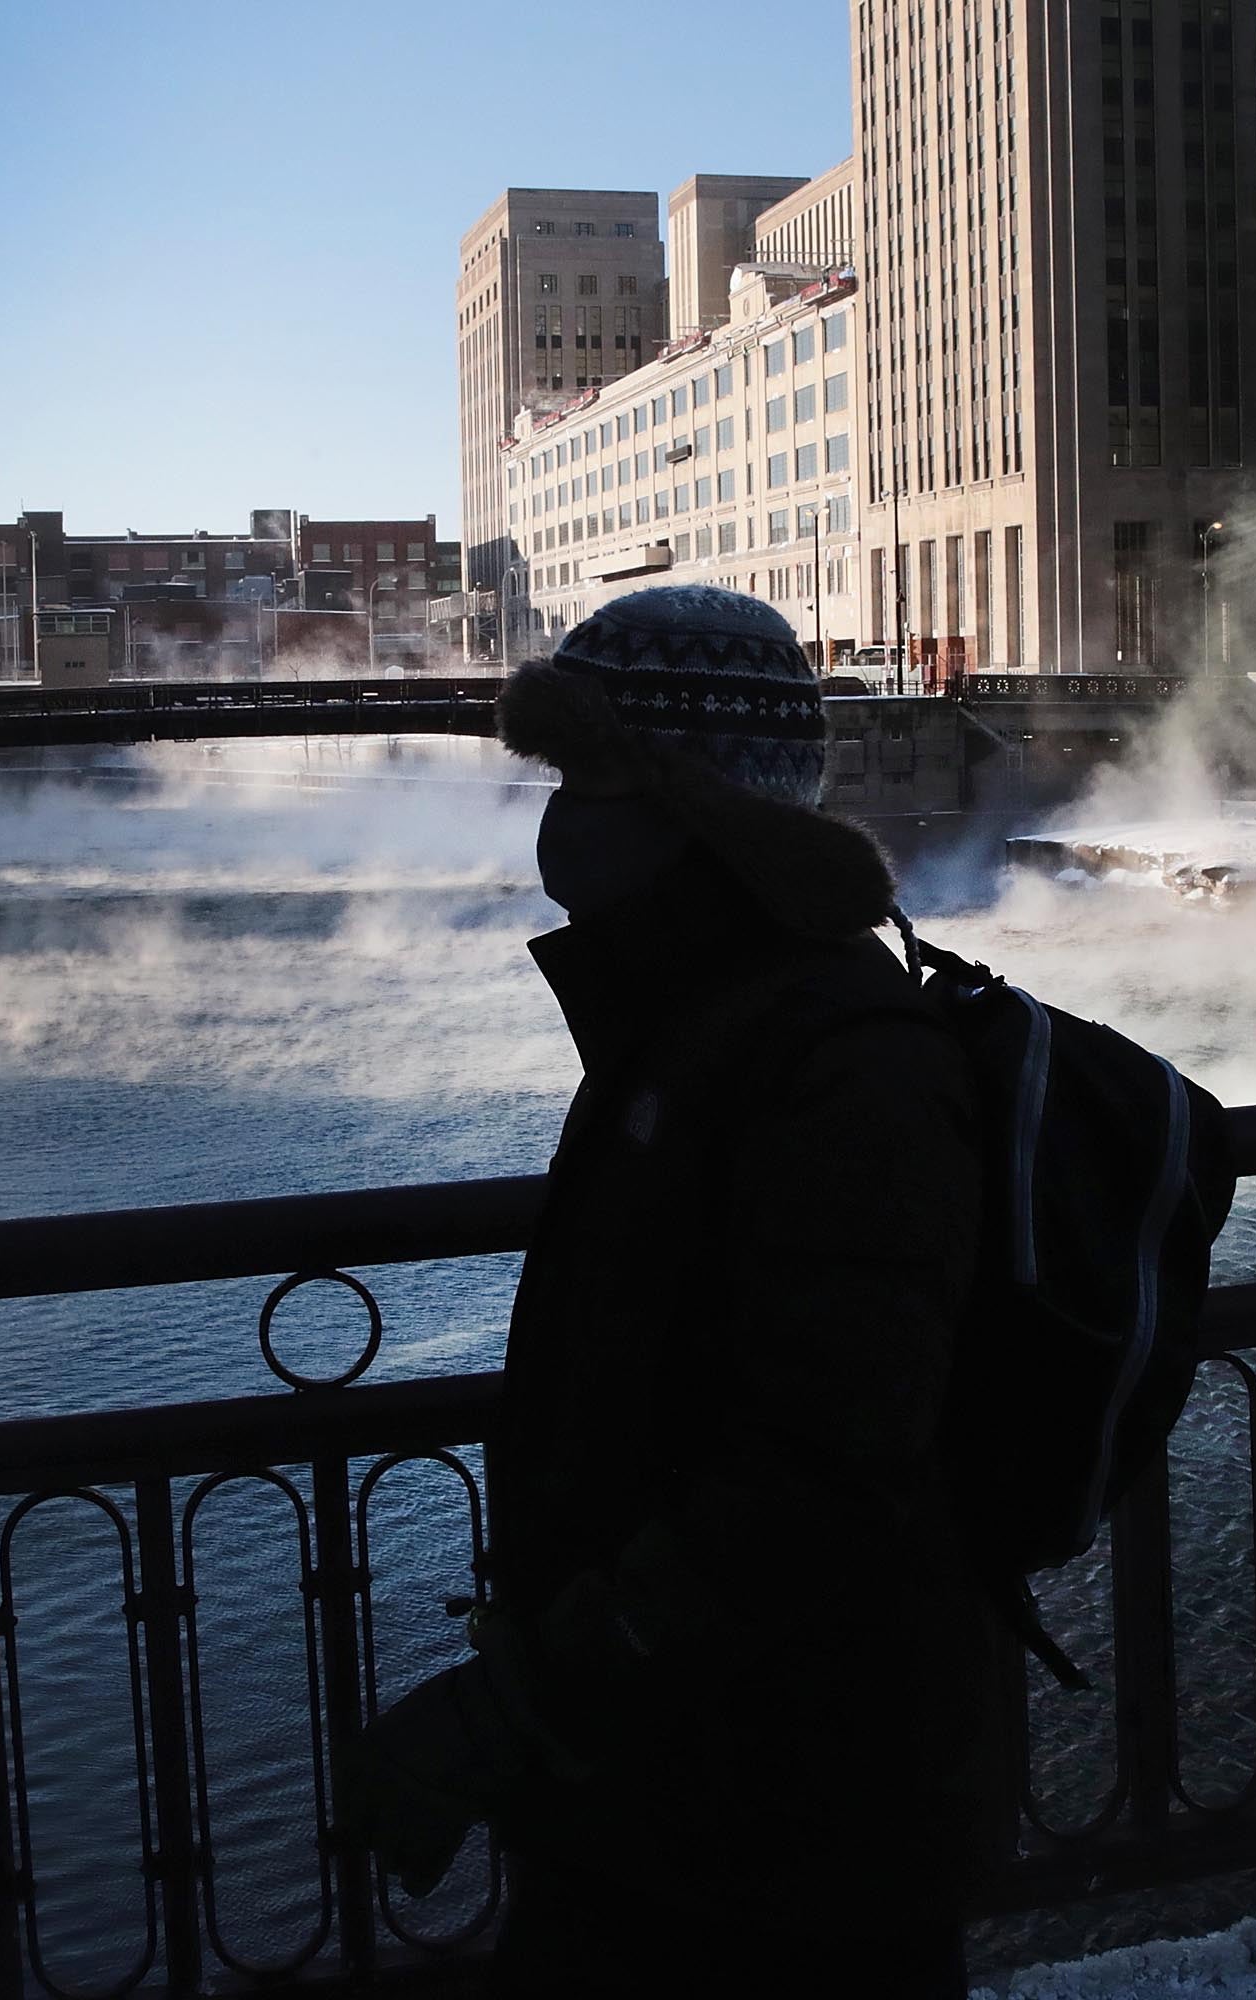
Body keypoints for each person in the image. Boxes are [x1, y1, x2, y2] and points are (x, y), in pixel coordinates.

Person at [340, 586, 996, 1992]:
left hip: (793, 1819)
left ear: (700, 800)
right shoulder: (696, 1018)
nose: (562, 818)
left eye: (594, 777)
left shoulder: (837, 1058)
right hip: (673, 1785)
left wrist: (516, 1699)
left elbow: (824, 1465)